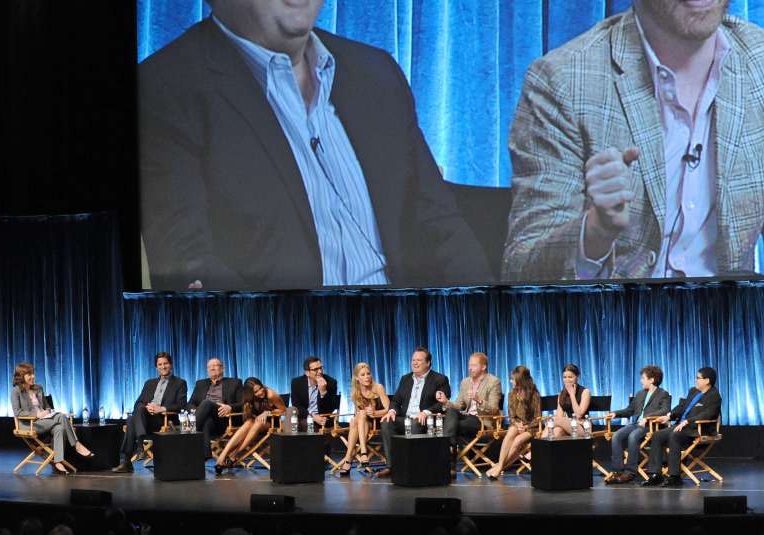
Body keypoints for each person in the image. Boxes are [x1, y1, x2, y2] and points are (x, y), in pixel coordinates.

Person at [138, 0, 494, 290]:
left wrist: (488, 316)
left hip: (413, 336)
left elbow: (442, 226)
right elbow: (190, 262)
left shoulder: (376, 71)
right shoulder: (164, 89)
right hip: (294, 348)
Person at [502, 0, 764, 282]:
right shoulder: (564, 82)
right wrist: (595, 232)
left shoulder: (757, 63)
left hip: (727, 320)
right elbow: (521, 270)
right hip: (612, 321)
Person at [377, 347, 451, 479]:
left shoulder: (439, 379)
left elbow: (443, 402)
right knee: (386, 422)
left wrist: (427, 412)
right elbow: (396, 400)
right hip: (404, 418)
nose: (415, 363)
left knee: (416, 423)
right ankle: (391, 466)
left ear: (428, 363)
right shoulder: (405, 379)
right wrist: (392, 411)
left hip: (423, 420)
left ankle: (414, 466)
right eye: (413, 360)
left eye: (419, 360)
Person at [642, 367, 721, 487]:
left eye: (698, 378)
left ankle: (674, 476)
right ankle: (655, 474)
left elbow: (708, 414)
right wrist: (669, 416)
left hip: (697, 430)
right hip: (681, 426)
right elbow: (681, 407)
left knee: (675, 435)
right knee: (657, 435)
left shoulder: (714, 396)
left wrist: (688, 421)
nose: (696, 380)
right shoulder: (693, 391)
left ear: (707, 380)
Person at [10, 363, 94, 474]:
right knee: (61, 417)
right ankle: (77, 445)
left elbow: (47, 407)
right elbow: (17, 412)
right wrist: (37, 415)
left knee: (59, 427)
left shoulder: (38, 388)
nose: (33, 376)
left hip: (45, 420)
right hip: (29, 424)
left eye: (33, 374)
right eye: (29, 374)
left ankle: (58, 461)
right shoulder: (16, 391)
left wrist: (49, 412)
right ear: (21, 376)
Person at [112, 352, 187, 473]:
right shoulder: (149, 383)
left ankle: (129, 459)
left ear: (171, 365)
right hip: (145, 419)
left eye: (165, 363)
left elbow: (181, 405)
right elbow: (138, 403)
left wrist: (161, 408)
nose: (163, 367)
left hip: (164, 420)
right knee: (138, 410)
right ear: (156, 367)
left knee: (131, 420)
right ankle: (140, 443)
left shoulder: (180, 383)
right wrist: (148, 407)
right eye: (160, 364)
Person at [605, 365, 672, 484]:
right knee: (617, 436)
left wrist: (647, 417)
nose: (641, 381)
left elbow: (665, 410)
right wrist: (616, 413)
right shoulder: (640, 393)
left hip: (651, 426)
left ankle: (630, 472)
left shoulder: (663, 394)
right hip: (637, 424)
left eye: (643, 378)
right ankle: (618, 470)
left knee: (633, 436)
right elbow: (630, 410)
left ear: (652, 380)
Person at [438, 352, 502, 472]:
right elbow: (458, 405)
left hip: (482, 421)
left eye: (474, 365)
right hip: (466, 417)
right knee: (451, 412)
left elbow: (494, 409)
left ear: (483, 367)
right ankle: (450, 452)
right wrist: (446, 402)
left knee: (449, 425)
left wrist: (479, 400)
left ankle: (449, 458)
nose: (470, 368)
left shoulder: (493, 382)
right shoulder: (465, 382)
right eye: (469, 365)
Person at [215, 377, 285, 473]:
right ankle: (223, 456)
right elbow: (249, 414)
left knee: (257, 422)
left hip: (272, 422)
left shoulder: (270, 394)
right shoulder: (248, 398)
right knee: (249, 422)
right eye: (256, 392)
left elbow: (283, 410)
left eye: (260, 388)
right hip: (256, 422)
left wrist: (267, 412)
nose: (260, 392)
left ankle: (234, 454)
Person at [485, 366, 540, 479]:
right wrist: (517, 424)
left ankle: (499, 467)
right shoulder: (511, 394)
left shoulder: (534, 393)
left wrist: (526, 427)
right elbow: (512, 416)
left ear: (520, 380)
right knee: (511, 430)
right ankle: (500, 465)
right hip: (518, 425)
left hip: (532, 428)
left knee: (517, 441)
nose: (510, 381)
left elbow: (537, 417)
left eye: (513, 379)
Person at [338, 362, 390, 475]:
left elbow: (388, 409)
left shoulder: (378, 387)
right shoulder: (356, 393)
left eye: (368, 374)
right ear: (357, 378)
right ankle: (363, 453)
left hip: (379, 421)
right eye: (363, 375)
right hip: (364, 423)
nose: (367, 377)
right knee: (357, 418)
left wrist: (375, 412)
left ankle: (349, 459)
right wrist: (362, 415)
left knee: (358, 418)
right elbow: (359, 413)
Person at [187, 358, 243, 459]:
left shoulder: (235, 383)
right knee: (206, 420)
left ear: (222, 368)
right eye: (209, 366)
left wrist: (230, 407)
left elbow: (244, 403)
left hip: (224, 419)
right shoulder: (200, 384)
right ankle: (205, 456)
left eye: (215, 365)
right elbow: (190, 404)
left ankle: (188, 432)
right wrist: (197, 411)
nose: (212, 368)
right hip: (206, 418)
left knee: (207, 403)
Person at [290, 356, 339, 432]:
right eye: (316, 369)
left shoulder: (331, 383)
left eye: (321, 368)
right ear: (307, 373)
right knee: (293, 422)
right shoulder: (297, 383)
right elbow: (296, 406)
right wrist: (312, 416)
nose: (320, 371)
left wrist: (323, 392)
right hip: (304, 417)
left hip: (322, 418)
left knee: (303, 426)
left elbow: (330, 409)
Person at [541, 364, 591, 438]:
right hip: (567, 425)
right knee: (557, 430)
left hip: (583, 427)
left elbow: (579, 415)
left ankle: (540, 444)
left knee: (554, 420)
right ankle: (544, 447)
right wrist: (567, 420)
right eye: (564, 377)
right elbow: (559, 416)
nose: (567, 380)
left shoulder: (585, 392)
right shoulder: (561, 394)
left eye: (570, 377)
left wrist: (572, 395)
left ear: (577, 377)